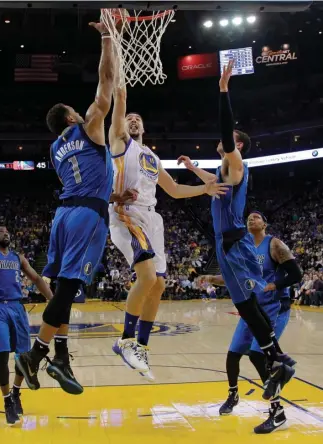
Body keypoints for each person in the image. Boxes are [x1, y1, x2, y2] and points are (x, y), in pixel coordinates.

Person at [15, 16, 136, 395]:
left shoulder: (55, 150)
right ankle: (35, 356)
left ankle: (62, 359)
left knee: (63, 288)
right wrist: (106, 38)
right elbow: (106, 85)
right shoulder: (87, 126)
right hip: (86, 217)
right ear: (71, 117)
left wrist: (113, 196)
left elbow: (81, 181)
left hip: (64, 215)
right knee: (68, 291)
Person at [178, 60, 295, 403]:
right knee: (244, 308)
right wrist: (190, 167)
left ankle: (278, 357)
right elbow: (212, 183)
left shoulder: (236, 164)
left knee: (251, 305)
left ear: (237, 146)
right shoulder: (222, 172)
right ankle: (277, 358)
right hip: (223, 242)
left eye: (228, 141)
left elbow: (226, 131)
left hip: (234, 241)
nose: (222, 142)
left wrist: (224, 91)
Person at [108, 80, 229, 381]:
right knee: (146, 276)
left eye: (139, 119)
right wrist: (120, 95)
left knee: (159, 284)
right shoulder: (120, 143)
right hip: (127, 215)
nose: (133, 120)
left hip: (153, 218)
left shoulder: (151, 156)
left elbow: (173, 190)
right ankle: (124, 340)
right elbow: (119, 111)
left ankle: (142, 346)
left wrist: (205, 188)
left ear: (144, 128)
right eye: (129, 118)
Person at [198, 211, 302, 434]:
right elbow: (236, 280)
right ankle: (233, 394)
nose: (251, 219)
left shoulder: (274, 244)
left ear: (265, 223)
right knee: (233, 354)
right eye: (249, 217)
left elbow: (296, 273)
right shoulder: (242, 246)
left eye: (256, 217)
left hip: (274, 309)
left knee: (257, 355)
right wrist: (212, 279)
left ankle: (277, 412)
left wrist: (275, 285)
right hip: (251, 308)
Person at [0, 227, 53, 426]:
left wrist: (52, 299)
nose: (5, 232)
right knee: (1, 354)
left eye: (7, 231)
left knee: (23, 357)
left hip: (17, 307)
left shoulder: (18, 257)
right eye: (0, 231)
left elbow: (36, 278)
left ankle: (16, 392)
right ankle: (7, 402)